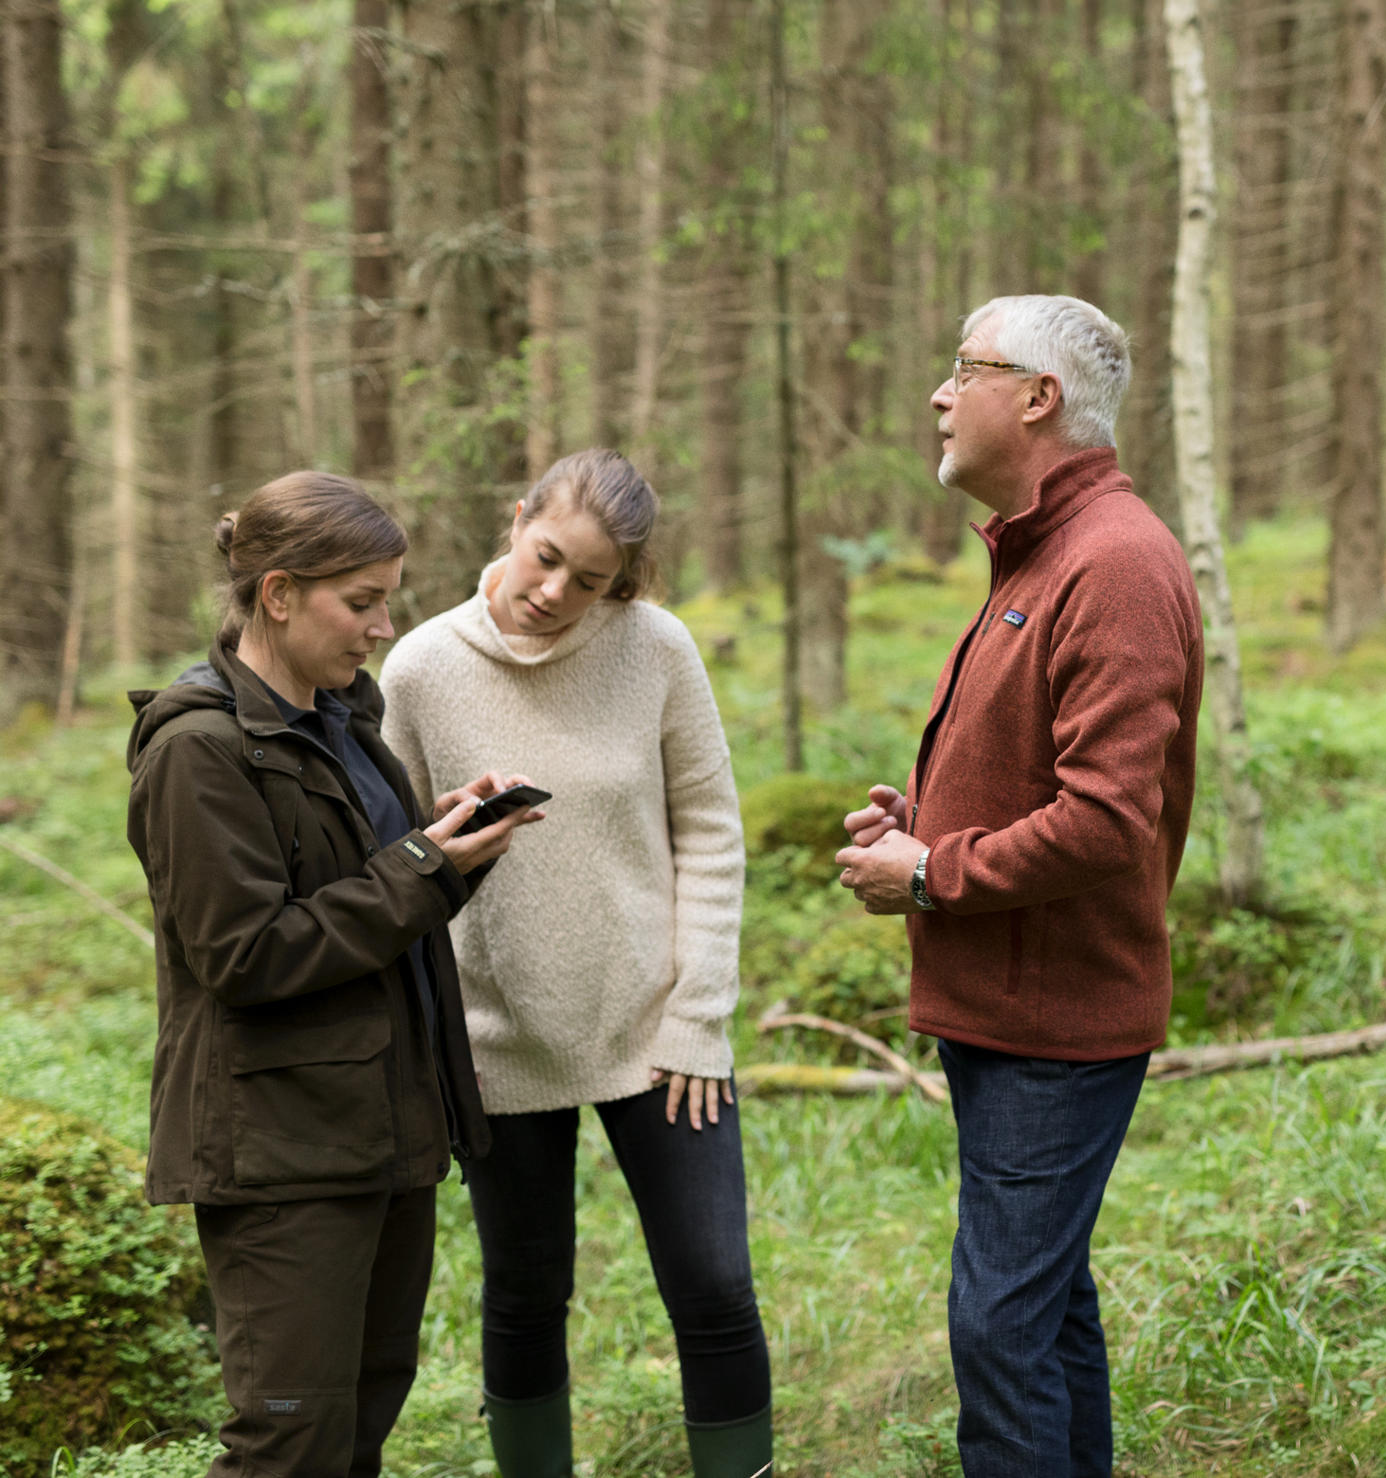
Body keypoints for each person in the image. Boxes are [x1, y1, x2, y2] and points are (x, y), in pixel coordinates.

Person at [836, 295, 1204, 1476]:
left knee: (997, 1325)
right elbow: (1045, 770)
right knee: (1045, 1311)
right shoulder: (1043, 551)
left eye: (963, 369)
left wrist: (932, 871)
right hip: (1005, 1005)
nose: (939, 396)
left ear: (1036, 398)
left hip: (1057, 1020)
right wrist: (922, 823)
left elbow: (1105, 818)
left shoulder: (1115, 562)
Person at [126, 472, 537, 1478]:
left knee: (357, 1427)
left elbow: (366, 908)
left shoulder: (344, 717)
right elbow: (247, 953)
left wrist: (443, 845)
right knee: (288, 1442)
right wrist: (422, 866)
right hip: (281, 1155)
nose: (382, 625)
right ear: (276, 593)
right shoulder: (198, 751)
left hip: (383, 1131)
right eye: (360, 600)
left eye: (387, 598)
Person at [379, 449, 771, 1478]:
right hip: (496, 1033)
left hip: (656, 1031)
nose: (554, 592)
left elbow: (712, 832)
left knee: (714, 1284)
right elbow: (394, 864)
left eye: (588, 580)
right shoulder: (419, 666)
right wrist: (453, 834)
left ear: (620, 584)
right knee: (521, 1287)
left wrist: (699, 1013)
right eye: (546, 557)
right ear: (517, 520)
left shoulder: (655, 649)